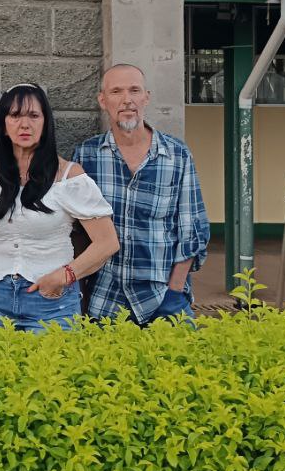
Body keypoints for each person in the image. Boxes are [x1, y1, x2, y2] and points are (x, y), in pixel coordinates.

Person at [0, 83, 120, 332]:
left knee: (49, 371)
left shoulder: (69, 177)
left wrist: (65, 276)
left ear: (45, 123)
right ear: (3, 125)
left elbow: (107, 242)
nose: (25, 124)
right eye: (15, 115)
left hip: (51, 301)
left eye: (34, 115)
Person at [72, 63, 211, 325]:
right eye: (116, 92)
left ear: (146, 97)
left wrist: (175, 292)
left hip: (162, 298)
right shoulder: (86, 156)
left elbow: (192, 230)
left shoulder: (177, 155)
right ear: (103, 100)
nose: (127, 100)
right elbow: (75, 231)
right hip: (103, 298)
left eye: (134, 90)